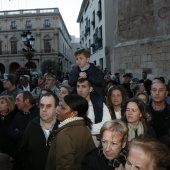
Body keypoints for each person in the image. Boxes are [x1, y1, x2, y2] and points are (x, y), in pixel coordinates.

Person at [45, 94, 95, 170]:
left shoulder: (64, 135)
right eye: (59, 105)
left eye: (63, 108)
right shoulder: (84, 128)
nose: (58, 109)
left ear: (74, 113)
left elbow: (64, 166)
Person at [19, 92, 59, 170]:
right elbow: (22, 154)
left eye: (48, 106)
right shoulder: (31, 127)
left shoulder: (63, 128)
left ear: (56, 108)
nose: (44, 109)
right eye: (41, 106)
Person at [8, 91, 39, 168]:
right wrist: (23, 132)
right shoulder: (18, 114)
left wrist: (19, 132)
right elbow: (9, 132)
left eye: (18, 100)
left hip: (32, 157)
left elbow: (30, 135)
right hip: (19, 156)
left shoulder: (38, 114)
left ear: (26, 101)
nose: (15, 103)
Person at [77, 78, 111, 146]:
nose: (80, 90)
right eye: (78, 86)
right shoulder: (73, 105)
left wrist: (85, 129)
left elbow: (107, 124)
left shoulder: (99, 105)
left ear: (90, 89)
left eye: (83, 86)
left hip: (94, 144)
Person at [146, 81, 170, 147]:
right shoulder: (142, 111)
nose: (157, 93)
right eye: (154, 90)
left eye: (161, 90)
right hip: (147, 148)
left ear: (166, 93)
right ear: (150, 92)